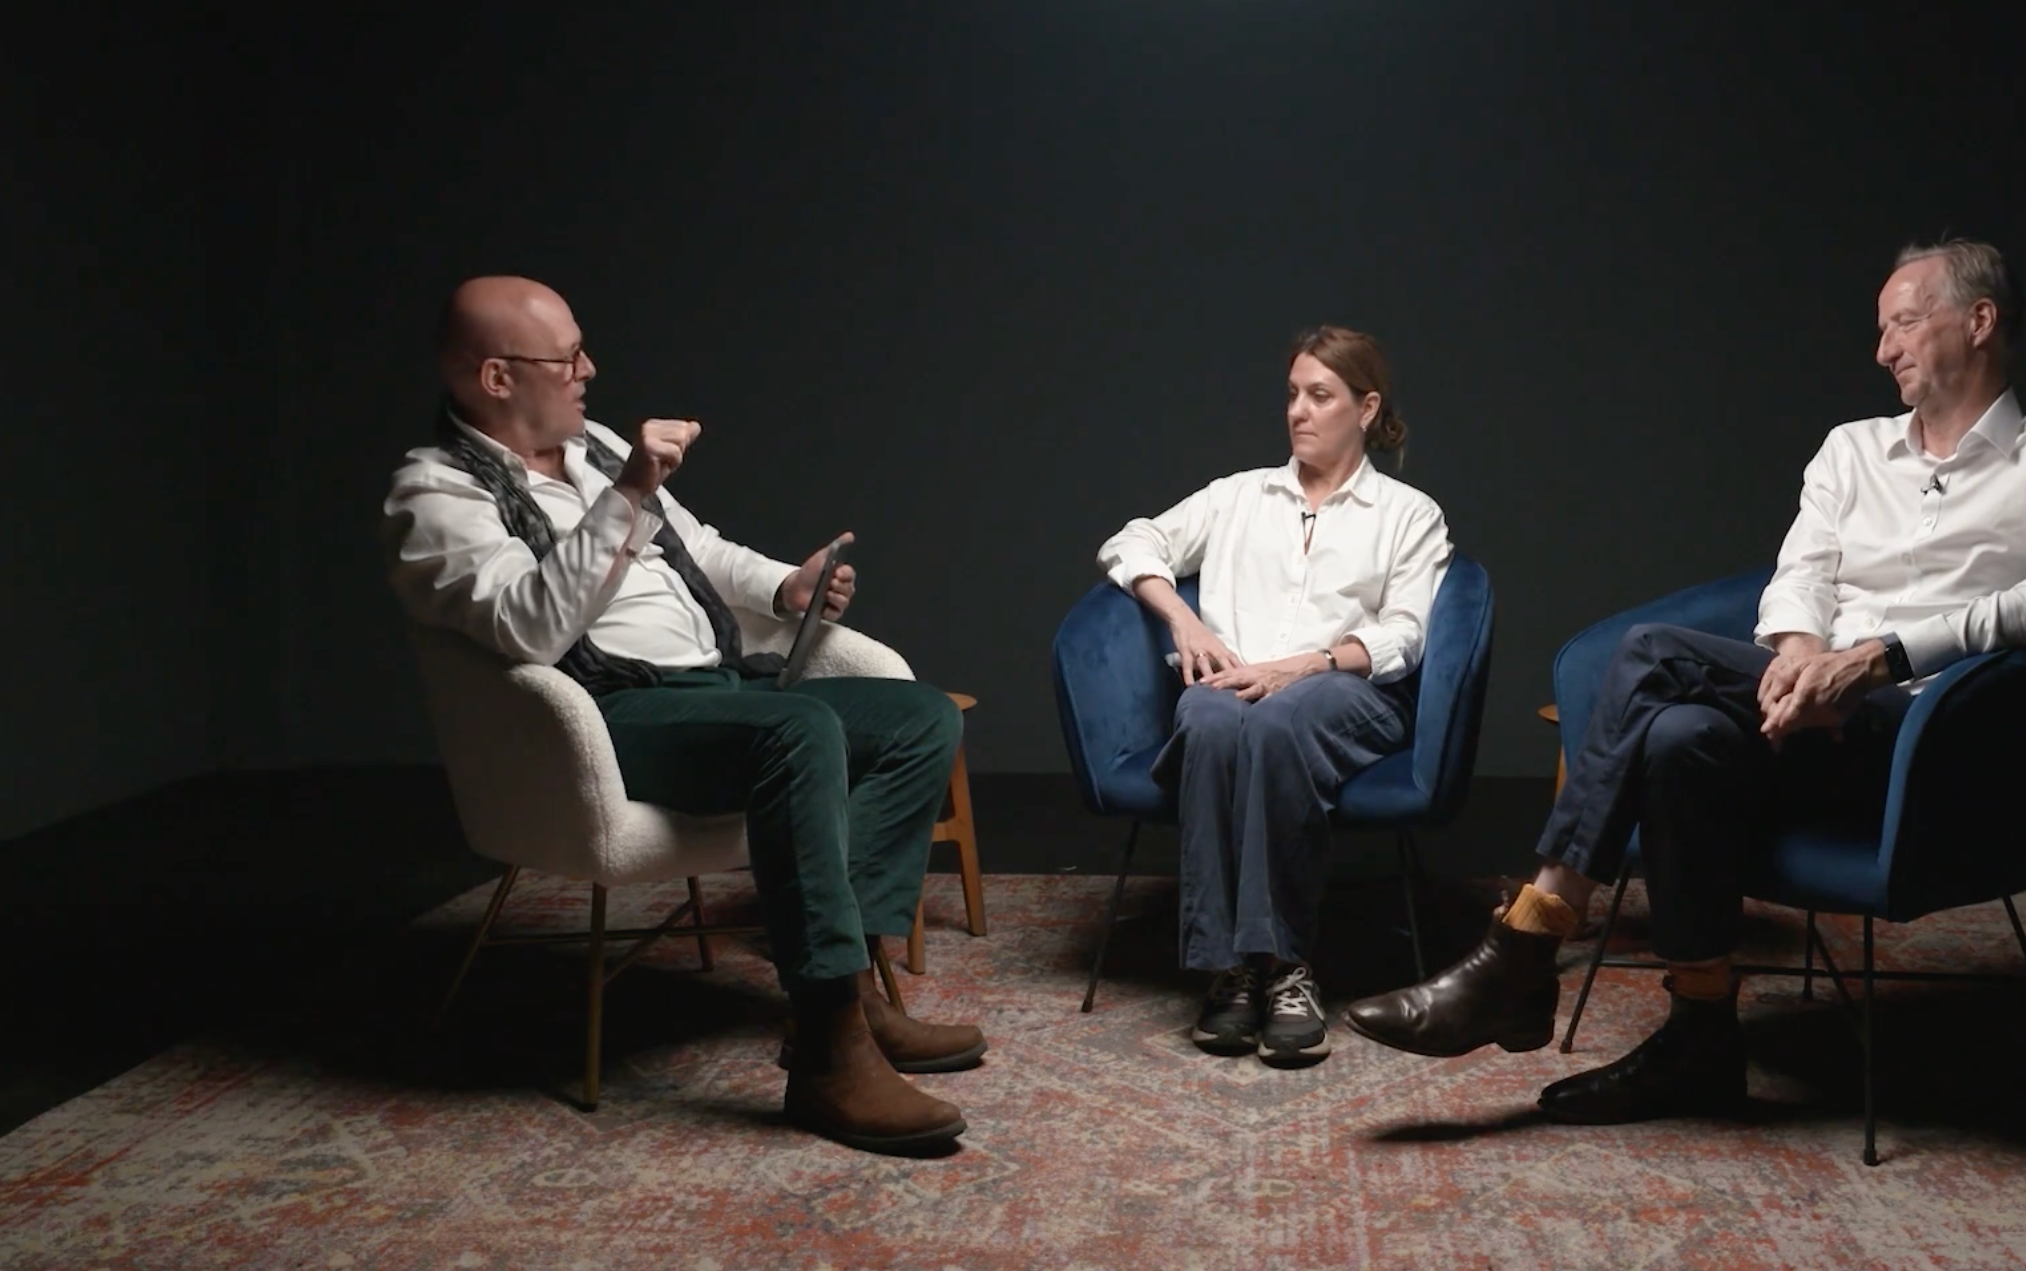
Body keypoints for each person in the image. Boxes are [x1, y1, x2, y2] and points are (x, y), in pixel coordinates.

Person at [1343, 240, 2026, 1122]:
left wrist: (1880, 659)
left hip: (1921, 745)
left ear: (1978, 322)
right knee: (1678, 738)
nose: (1882, 350)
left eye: (1901, 323)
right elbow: (1799, 577)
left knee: (1651, 654)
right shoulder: (1851, 451)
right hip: (1805, 720)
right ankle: (1700, 1041)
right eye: (1881, 330)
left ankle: (1526, 943)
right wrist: (1798, 664)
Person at [383, 276, 985, 1156]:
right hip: (604, 718)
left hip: (718, 691)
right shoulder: (434, 496)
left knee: (920, 718)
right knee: (800, 732)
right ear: (499, 378)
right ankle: (825, 1050)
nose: (590, 370)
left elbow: (698, 550)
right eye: (567, 357)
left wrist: (786, 585)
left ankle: (849, 987)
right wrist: (624, 494)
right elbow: (531, 629)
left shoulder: (590, 447)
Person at [1096, 327, 1456, 1067]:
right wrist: (1185, 620)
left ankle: (1281, 962)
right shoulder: (1238, 497)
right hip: (1232, 685)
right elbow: (1132, 542)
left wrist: (1302, 667)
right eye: (1292, 394)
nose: (1299, 411)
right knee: (1205, 715)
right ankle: (1234, 971)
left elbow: (1406, 636)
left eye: (1320, 395)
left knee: (1275, 722)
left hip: (1343, 690)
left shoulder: (1408, 514)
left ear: (1366, 407)